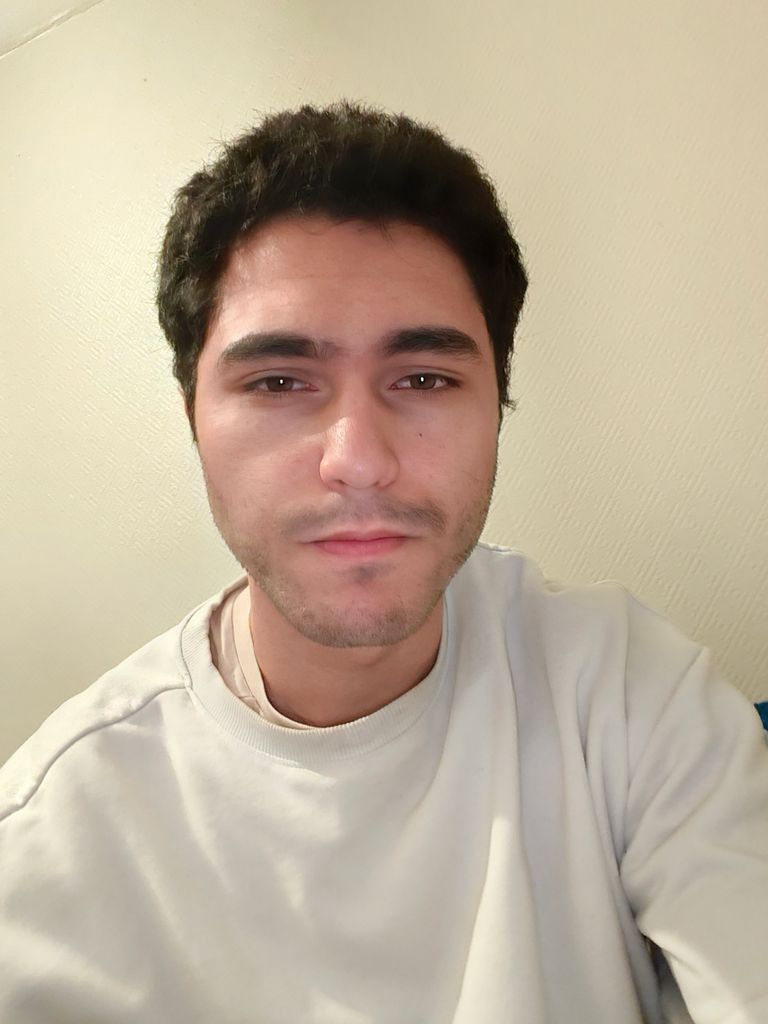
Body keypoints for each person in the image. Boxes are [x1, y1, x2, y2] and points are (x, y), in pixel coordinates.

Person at [0, 101, 766, 1024]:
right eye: (278, 382)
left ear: (496, 404)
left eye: (425, 378)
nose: (358, 459)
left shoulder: (628, 690)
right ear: (192, 415)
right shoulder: (50, 849)